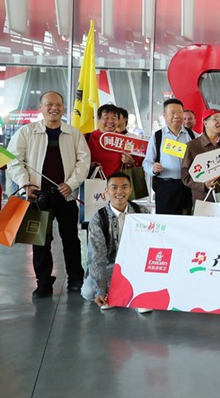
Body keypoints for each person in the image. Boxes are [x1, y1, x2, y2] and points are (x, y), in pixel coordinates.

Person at [7, 91, 91, 298]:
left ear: (63, 108)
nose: (54, 108)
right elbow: (13, 160)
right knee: (40, 241)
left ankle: (75, 278)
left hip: (65, 195)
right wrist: (26, 183)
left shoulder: (74, 133)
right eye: (49, 104)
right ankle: (43, 282)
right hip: (38, 197)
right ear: (41, 108)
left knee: (71, 239)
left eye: (59, 105)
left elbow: (84, 161)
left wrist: (71, 184)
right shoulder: (27, 132)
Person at [81, 172, 149, 312]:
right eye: (114, 187)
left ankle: (136, 297)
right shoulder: (98, 219)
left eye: (124, 187)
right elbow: (97, 257)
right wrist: (100, 290)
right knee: (88, 291)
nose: (119, 191)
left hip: (137, 265)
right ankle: (117, 293)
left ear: (130, 190)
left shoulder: (142, 213)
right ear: (106, 191)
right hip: (110, 266)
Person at [143, 98, 195, 215]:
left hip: (188, 186)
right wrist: (153, 168)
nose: (176, 116)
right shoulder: (157, 137)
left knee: (187, 222)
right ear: (165, 115)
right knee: (166, 222)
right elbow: (147, 163)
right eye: (172, 112)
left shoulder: (192, 136)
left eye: (179, 112)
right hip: (165, 187)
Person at [181, 109, 220, 205]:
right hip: (203, 198)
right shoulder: (192, 146)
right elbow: (185, 176)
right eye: (216, 118)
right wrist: (203, 185)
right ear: (205, 123)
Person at [86, 104, 140, 175]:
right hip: (94, 183)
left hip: (118, 183)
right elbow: (77, 161)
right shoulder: (87, 137)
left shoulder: (126, 140)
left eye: (114, 118)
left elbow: (139, 163)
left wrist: (131, 162)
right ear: (98, 119)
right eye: (106, 117)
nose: (110, 121)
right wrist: (90, 165)